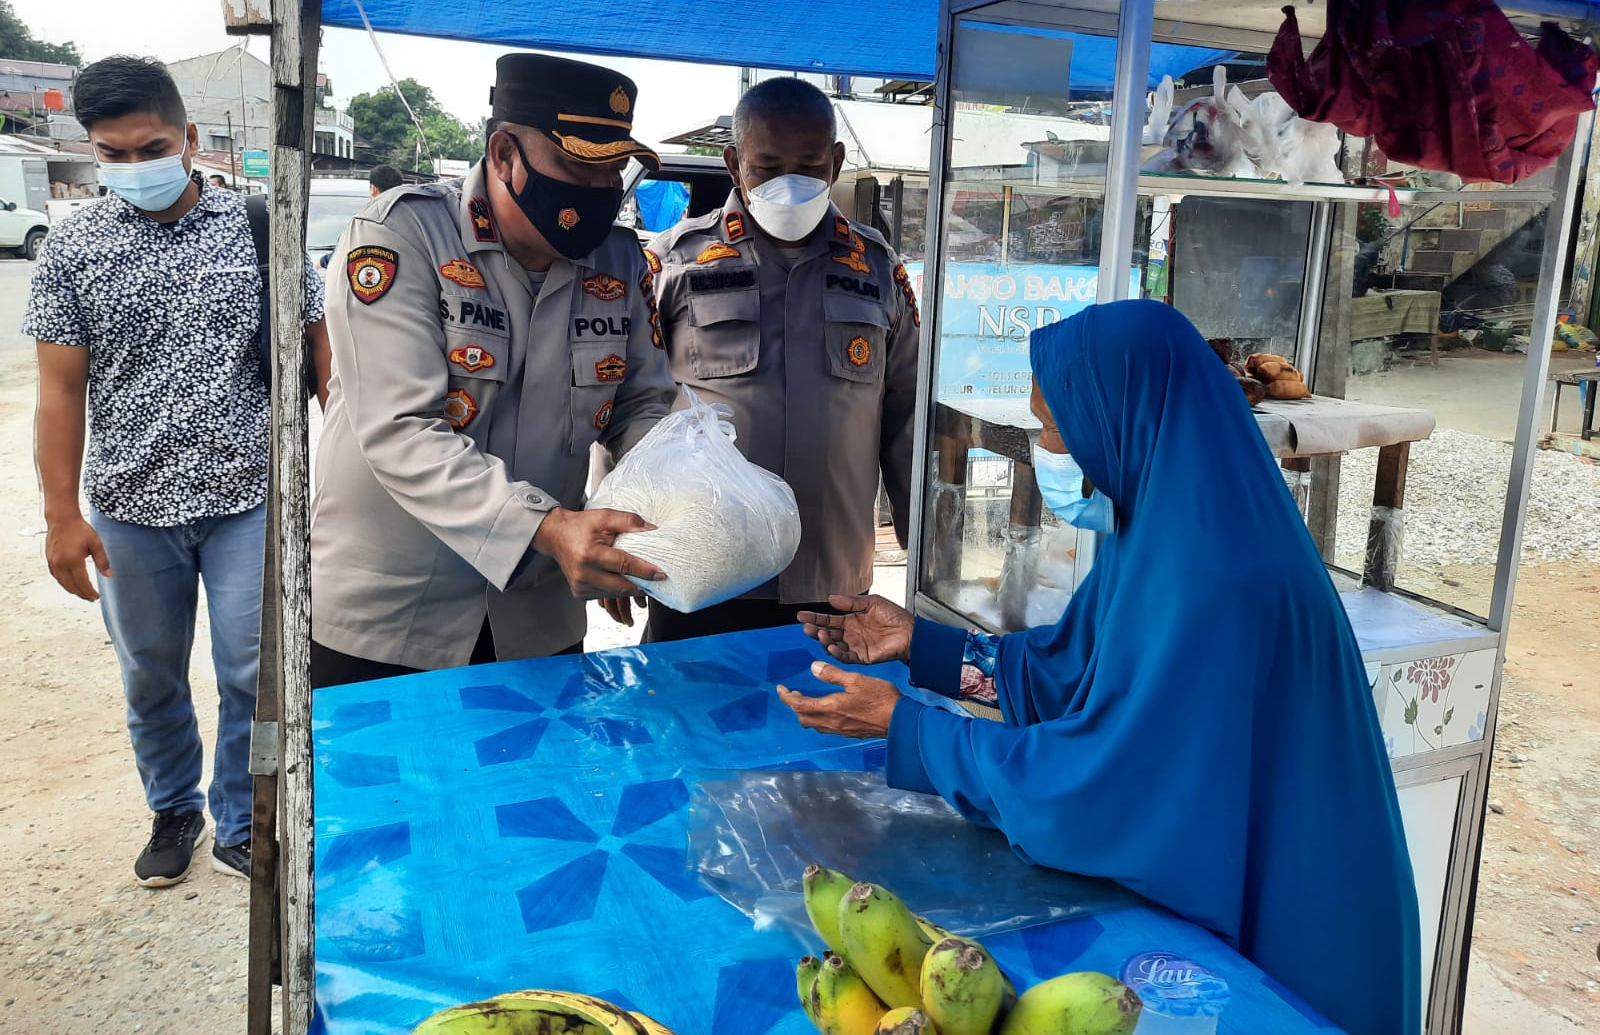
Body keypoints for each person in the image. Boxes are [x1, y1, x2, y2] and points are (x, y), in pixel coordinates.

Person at [778, 300, 1421, 1035]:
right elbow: (1070, 668)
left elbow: (1109, 784)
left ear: (1122, 418)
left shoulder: (1216, 577)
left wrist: (914, 732)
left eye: (1053, 428)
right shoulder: (1162, 524)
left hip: (1295, 917)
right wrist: (919, 646)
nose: (1048, 449)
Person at [24, 55, 332, 888]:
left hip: (246, 500)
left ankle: (242, 817)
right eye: (113, 153)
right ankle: (173, 809)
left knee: (249, 671)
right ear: (92, 151)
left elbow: (318, 351)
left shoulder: (262, 229)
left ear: (190, 138)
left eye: (151, 146)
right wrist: (61, 517)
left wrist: (332, 477)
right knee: (151, 672)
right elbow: (59, 392)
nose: (135, 167)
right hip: (127, 507)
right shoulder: (74, 247)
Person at [309, 53, 676, 687]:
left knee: (535, 784)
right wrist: (550, 526)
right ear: (504, 153)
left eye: (612, 173)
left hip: (537, 616)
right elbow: (400, 429)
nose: (597, 194)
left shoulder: (619, 260)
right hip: (391, 618)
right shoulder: (404, 235)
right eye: (575, 167)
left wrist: (664, 503)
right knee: (392, 788)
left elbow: (643, 406)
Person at [635, 78, 918, 641]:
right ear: (734, 162)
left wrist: (928, 548)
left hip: (830, 578)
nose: (789, 183)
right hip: (703, 568)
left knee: (826, 722)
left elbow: (908, 418)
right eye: (767, 166)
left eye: (809, 165)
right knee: (690, 723)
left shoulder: (878, 270)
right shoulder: (674, 264)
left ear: (835, 162)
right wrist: (624, 543)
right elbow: (633, 407)